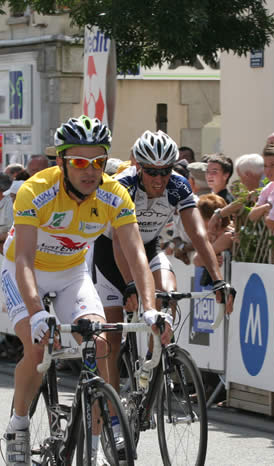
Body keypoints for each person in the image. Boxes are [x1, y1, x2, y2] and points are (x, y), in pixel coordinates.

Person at [0, 116, 170, 465]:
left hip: (71, 275)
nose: (90, 171)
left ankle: (93, 445)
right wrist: (37, 314)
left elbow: (138, 255)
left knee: (101, 344)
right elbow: (26, 260)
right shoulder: (36, 190)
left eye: (98, 162)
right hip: (24, 271)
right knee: (38, 350)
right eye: (79, 162)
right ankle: (18, 425)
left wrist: (149, 308)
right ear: (61, 161)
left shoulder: (113, 193)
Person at [93, 130, 234, 396]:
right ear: (138, 167)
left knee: (167, 298)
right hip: (110, 254)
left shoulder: (178, 185)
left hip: (147, 248)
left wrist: (218, 279)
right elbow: (119, 244)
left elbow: (198, 234)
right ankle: (109, 406)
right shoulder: (122, 185)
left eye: (165, 171)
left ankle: (152, 362)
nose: (159, 179)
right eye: (151, 172)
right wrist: (130, 285)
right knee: (110, 340)